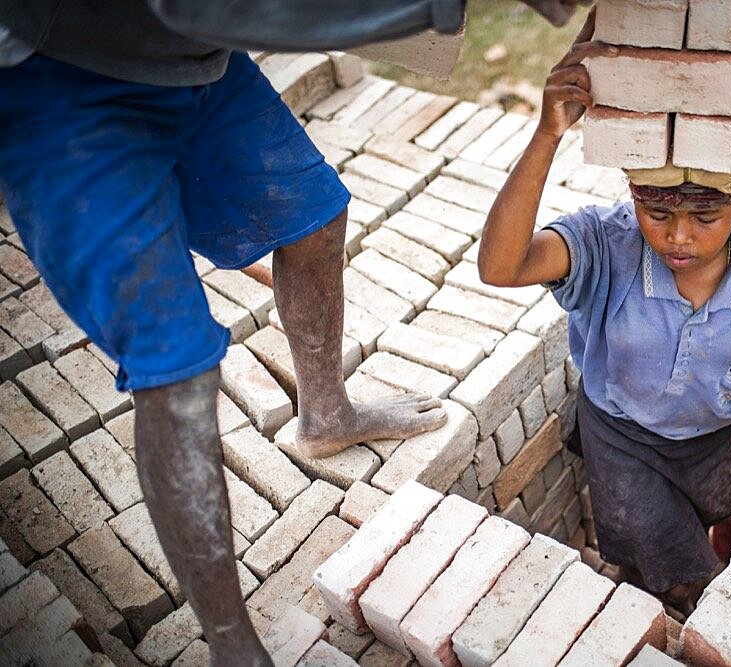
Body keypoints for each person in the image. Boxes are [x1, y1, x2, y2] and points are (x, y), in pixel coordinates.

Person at [0, 1, 591, 663]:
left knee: (313, 216)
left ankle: (326, 414)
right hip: (61, 78)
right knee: (178, 368)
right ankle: (233, 645)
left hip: (192, 60)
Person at [479, 11, 731, 617]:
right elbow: (502, 265)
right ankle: (668, 603)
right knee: (662, 557)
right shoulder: (604, 246)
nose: (679, 238)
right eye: (657, 214)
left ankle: (691, 556)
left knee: (709, 514)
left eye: (705, 219)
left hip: (712, 437)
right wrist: (547, 134)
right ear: (632, 198)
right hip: (620, 435)